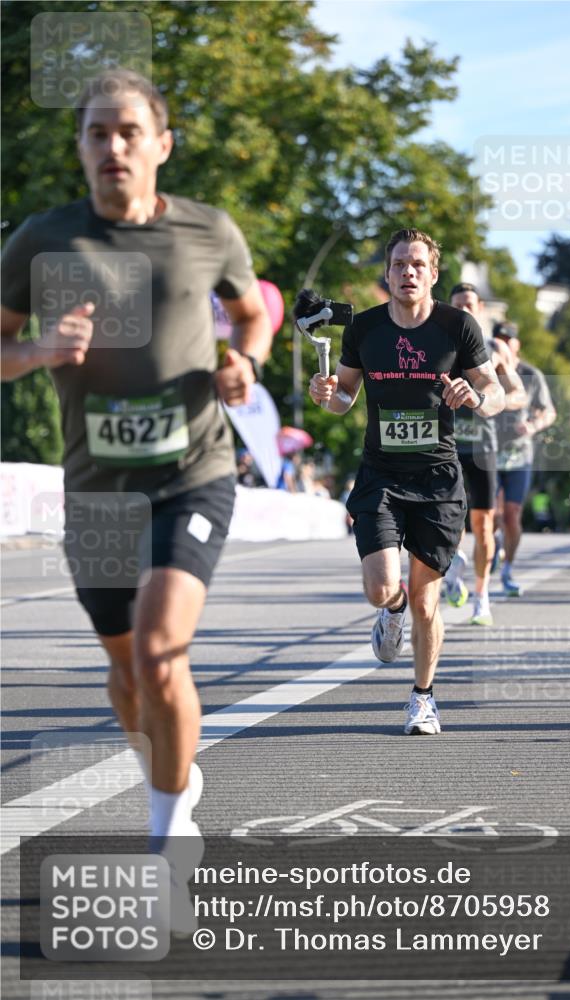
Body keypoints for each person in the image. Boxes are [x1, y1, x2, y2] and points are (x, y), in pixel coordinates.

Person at [1, 70, 272, 890]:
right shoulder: (44, 240)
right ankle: (174, 778)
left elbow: (252, 314)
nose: (112, 146)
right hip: (97, 491)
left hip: (193, 472)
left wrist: (245, 364)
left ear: (161, 145)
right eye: (96, 132)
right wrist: (38, 351)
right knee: (126, 678)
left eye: (128, 132)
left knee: (159, 654)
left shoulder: (206, 230)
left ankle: (169, 832)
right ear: (80, 146)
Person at [306, 228, 505, 735]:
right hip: (381, 475)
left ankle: (423, 698)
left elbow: (495, 390)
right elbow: (344, 397)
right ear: (388, 273)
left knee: (426, 600)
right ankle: (390, 609)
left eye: (417, 265)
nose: (408, 272)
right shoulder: (365, 328)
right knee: (381, 588)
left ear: (433, 274)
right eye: (399, 264)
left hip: (438, 480)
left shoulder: (457, 326)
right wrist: (324, 394)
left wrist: (477, 396)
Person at [443, 286, 527, 625]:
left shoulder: (495, 349)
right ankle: (453, 568)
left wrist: (495, 399)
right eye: (457, 305)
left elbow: (518, 394)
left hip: (483, 448)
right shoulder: (439, 343)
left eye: (469, 304)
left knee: (483, 524)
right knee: (447, 520)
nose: (464, 310)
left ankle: (482, 597)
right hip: (447, 445)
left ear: (480, 308)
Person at [492, 321, 556, 595]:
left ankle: (508, 567)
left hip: (519, 454)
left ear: (517, 344)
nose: (504, 343)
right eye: (499, 338)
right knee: (492, 514)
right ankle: (493, 544)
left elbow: (548, 412)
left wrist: (532, 425)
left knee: (511, 515)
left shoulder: (531, 375)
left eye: (509, 339)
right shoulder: (484, 370)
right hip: (489, 452)